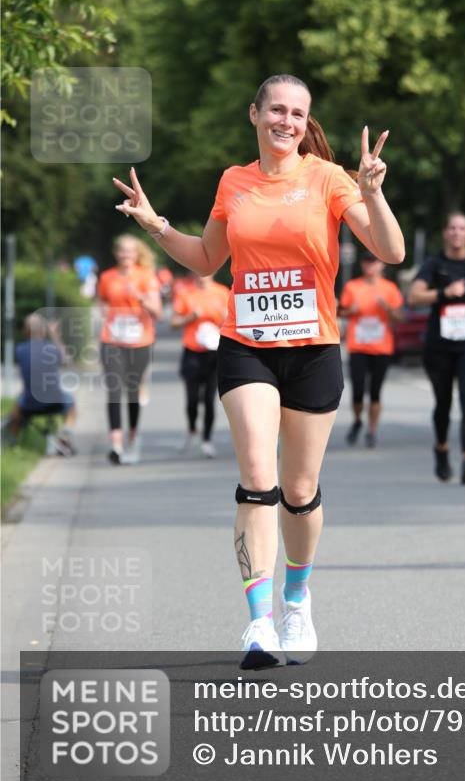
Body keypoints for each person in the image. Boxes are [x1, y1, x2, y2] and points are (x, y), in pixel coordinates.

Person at [113, 73, 404, 668]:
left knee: (299, 492)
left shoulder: (328, 178)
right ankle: (260, 623)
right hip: (246, 344)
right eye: (277, 109)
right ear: (254, 114)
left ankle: (297, 598)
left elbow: (390, 251)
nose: (287, 121)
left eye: (298, 113)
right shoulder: (233, 181)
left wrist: (372, 190)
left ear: (305, 122)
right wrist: (155, 225)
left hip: (313, 349)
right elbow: (206, 261)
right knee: (257, 478)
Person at [407, 212, 465, 484]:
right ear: (445, 233)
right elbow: (413, 296)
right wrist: (443, 293)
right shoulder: (434, 264)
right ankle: (442, 449)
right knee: (443, 402)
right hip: (440, 345)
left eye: (462, 228)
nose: (457, 233)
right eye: (452, 228)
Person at [97, 234, 162, 464]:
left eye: (130, 251)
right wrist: (105, 310)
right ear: (116, 253)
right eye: (122, 250)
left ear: (136, 254)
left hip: (140, 340)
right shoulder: (107, 277)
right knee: (114, 389)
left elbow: (157, 312)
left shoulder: (146, 277)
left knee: (132, 391)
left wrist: (142, 299)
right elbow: (102, 300)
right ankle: (115, 444)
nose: (126, 255)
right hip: (112, 339)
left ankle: (132, 435)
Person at [337, 252, 404, 448]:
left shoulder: (389, 289)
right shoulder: (352, 287)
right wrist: (351, 311)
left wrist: (388, 309)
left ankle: (372, 430)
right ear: (362, 264)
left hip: (381, 347)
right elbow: (340, 311)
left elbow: (400, 317)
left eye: (374, 262)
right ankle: (358, 420)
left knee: (375, 392)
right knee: (357, 391)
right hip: (358, 346)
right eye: (367, 262)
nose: (370, 266)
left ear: (381, 265)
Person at [170, 273, 230, 457]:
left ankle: (207, 439)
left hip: (214, 352)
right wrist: (191, 317)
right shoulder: (185, 293)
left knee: (210, 399)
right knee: (192, 400)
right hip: (192, 351)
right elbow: (174, 323)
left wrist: (224, 317)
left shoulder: (222, 292)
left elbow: (232, 321)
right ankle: (191, 430)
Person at [10, 313, 76, 455]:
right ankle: (65, 434)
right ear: (43, 330)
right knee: (70, 400)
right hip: (55, 401)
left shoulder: (20, 350)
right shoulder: (52, 348)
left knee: (17, 404)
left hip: (29, 403)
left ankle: (12, 442)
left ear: (25, 331)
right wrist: (55, 335)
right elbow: (67, 361)